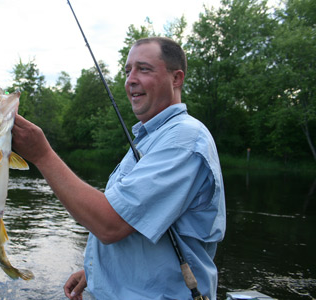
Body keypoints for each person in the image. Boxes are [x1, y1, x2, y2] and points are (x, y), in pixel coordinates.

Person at [12, 37, 226, 300]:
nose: (130, 79)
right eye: (127, 71)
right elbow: (136, 230)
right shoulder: (151, 139)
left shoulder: (184, 139)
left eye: (143, 69)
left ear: (176, 78)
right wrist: (96, 272)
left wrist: (42, 155)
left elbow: (110, 224)